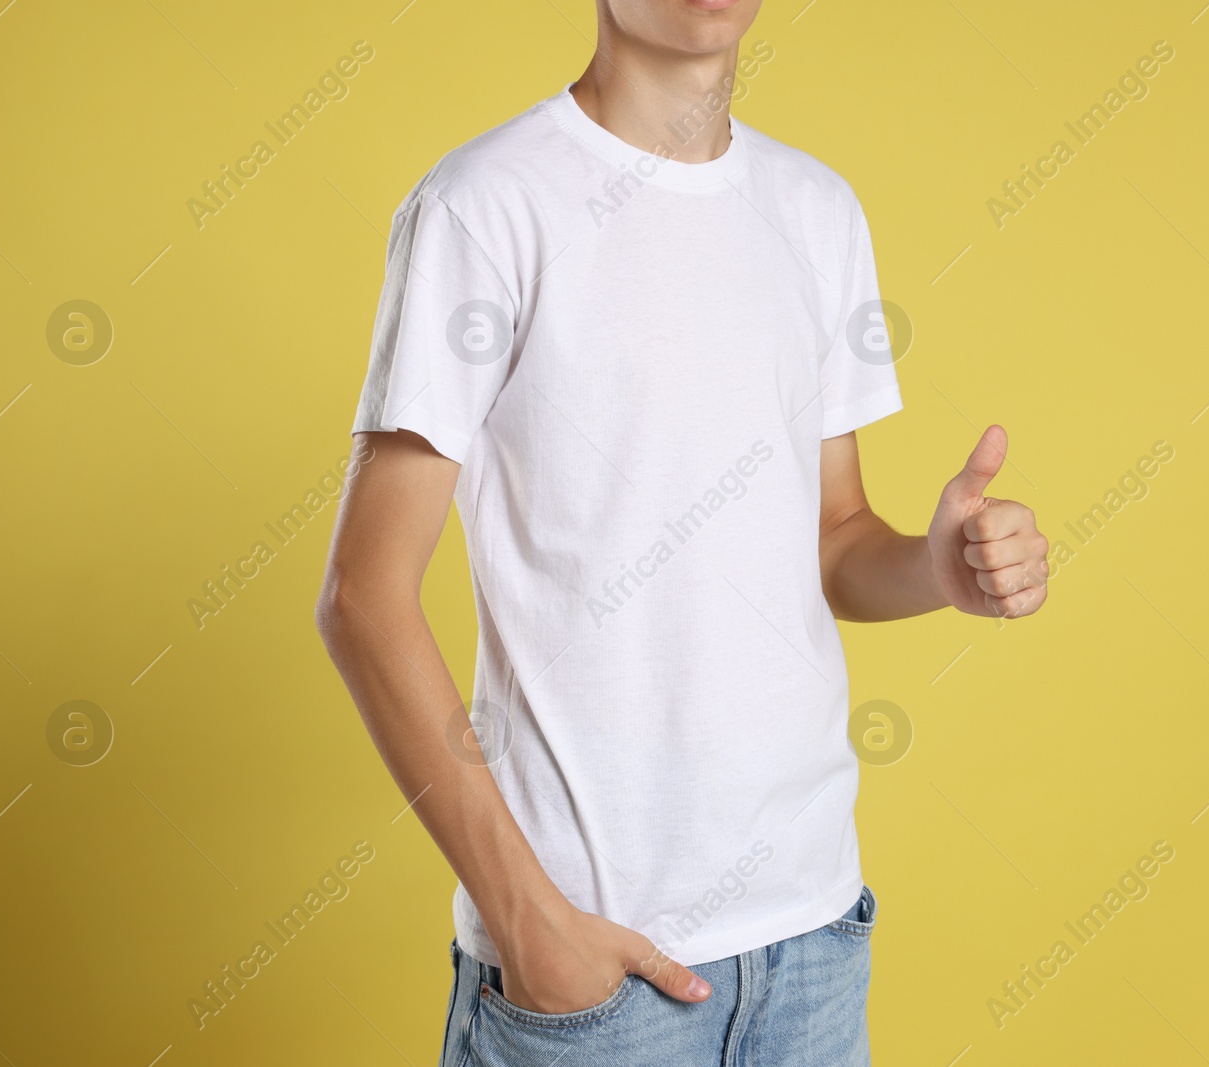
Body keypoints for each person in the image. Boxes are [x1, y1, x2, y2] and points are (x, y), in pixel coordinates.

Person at [315, 1, 1048, 1062]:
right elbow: (363, 599)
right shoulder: (485, 206)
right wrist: (530, 921)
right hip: (591, 969)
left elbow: (836, 535)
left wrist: (937, 567)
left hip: (813, 945)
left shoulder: (815, 209)